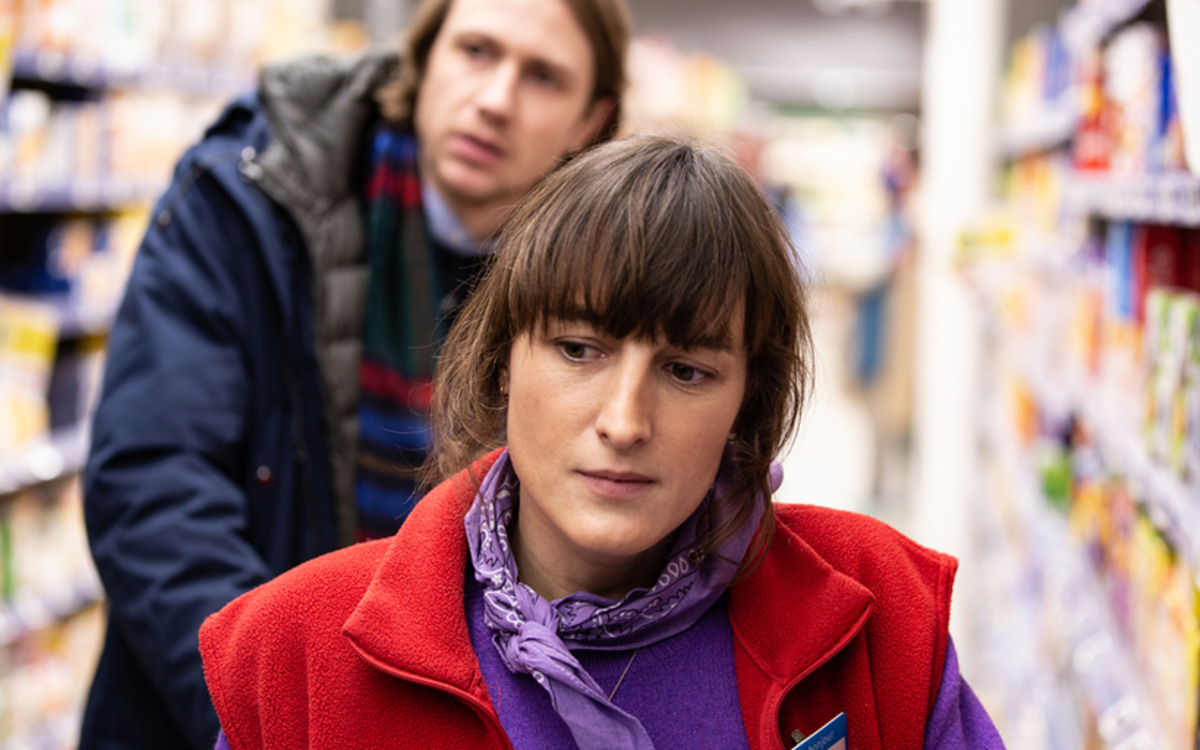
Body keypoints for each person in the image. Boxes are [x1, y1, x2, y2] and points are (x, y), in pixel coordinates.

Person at [199, 135, 1005, 750]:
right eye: (579, 350)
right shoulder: (296, 657)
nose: (624, 421)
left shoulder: (882, 624)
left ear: (745, 404)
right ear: (503, 361)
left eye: (686, 371)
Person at [80, 0, 630, 747]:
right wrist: (278, 712)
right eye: (476, 51)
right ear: (423, 57)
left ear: (590, 120)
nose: (496, 100)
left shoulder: (602, 289)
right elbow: (154, 485)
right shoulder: (253, 197)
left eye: (543, 77)